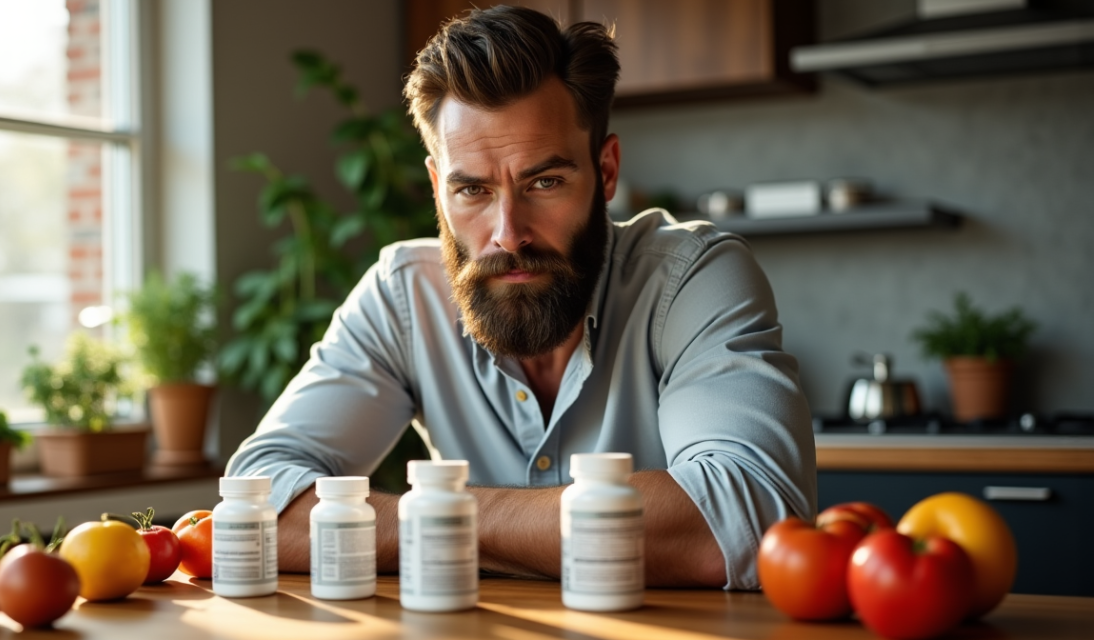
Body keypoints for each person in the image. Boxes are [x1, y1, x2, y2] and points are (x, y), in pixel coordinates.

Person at [227, 5, 815, 590]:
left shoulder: (690, 278)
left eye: (545, 182)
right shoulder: (403, 297)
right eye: (472, 190)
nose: (508, 234)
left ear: (606, 170)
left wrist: (441, 516)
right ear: (437, 188)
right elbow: (258, 504)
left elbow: (750, 518)